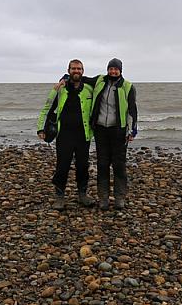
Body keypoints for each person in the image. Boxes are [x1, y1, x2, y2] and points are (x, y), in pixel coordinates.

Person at [37, 59, 95, 210]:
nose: (76, 71)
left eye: (79, 69)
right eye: (74, 68)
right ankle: (59, 196)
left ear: (83, 71)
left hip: (83, 135)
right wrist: (40, 128)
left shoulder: (89, 89)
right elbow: (47, 107)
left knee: (83, 166)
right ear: (69, 70)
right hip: (64, 135)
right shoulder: (60, 89)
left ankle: (82, 194)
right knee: (62, 166)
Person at [89, 58, 138, 211]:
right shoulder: (99, 82)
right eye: (111, 69)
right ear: (107, 69)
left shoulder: (128, 86)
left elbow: (132, 110)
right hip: (101, 129)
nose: (113, 71)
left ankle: (119, 198)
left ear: (120, 71)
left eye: (116, 69)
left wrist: (132, 130)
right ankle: (103, 198)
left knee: (119, 166)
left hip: (118, 131)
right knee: (102, 165)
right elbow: (83, 79)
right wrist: (66, 77)